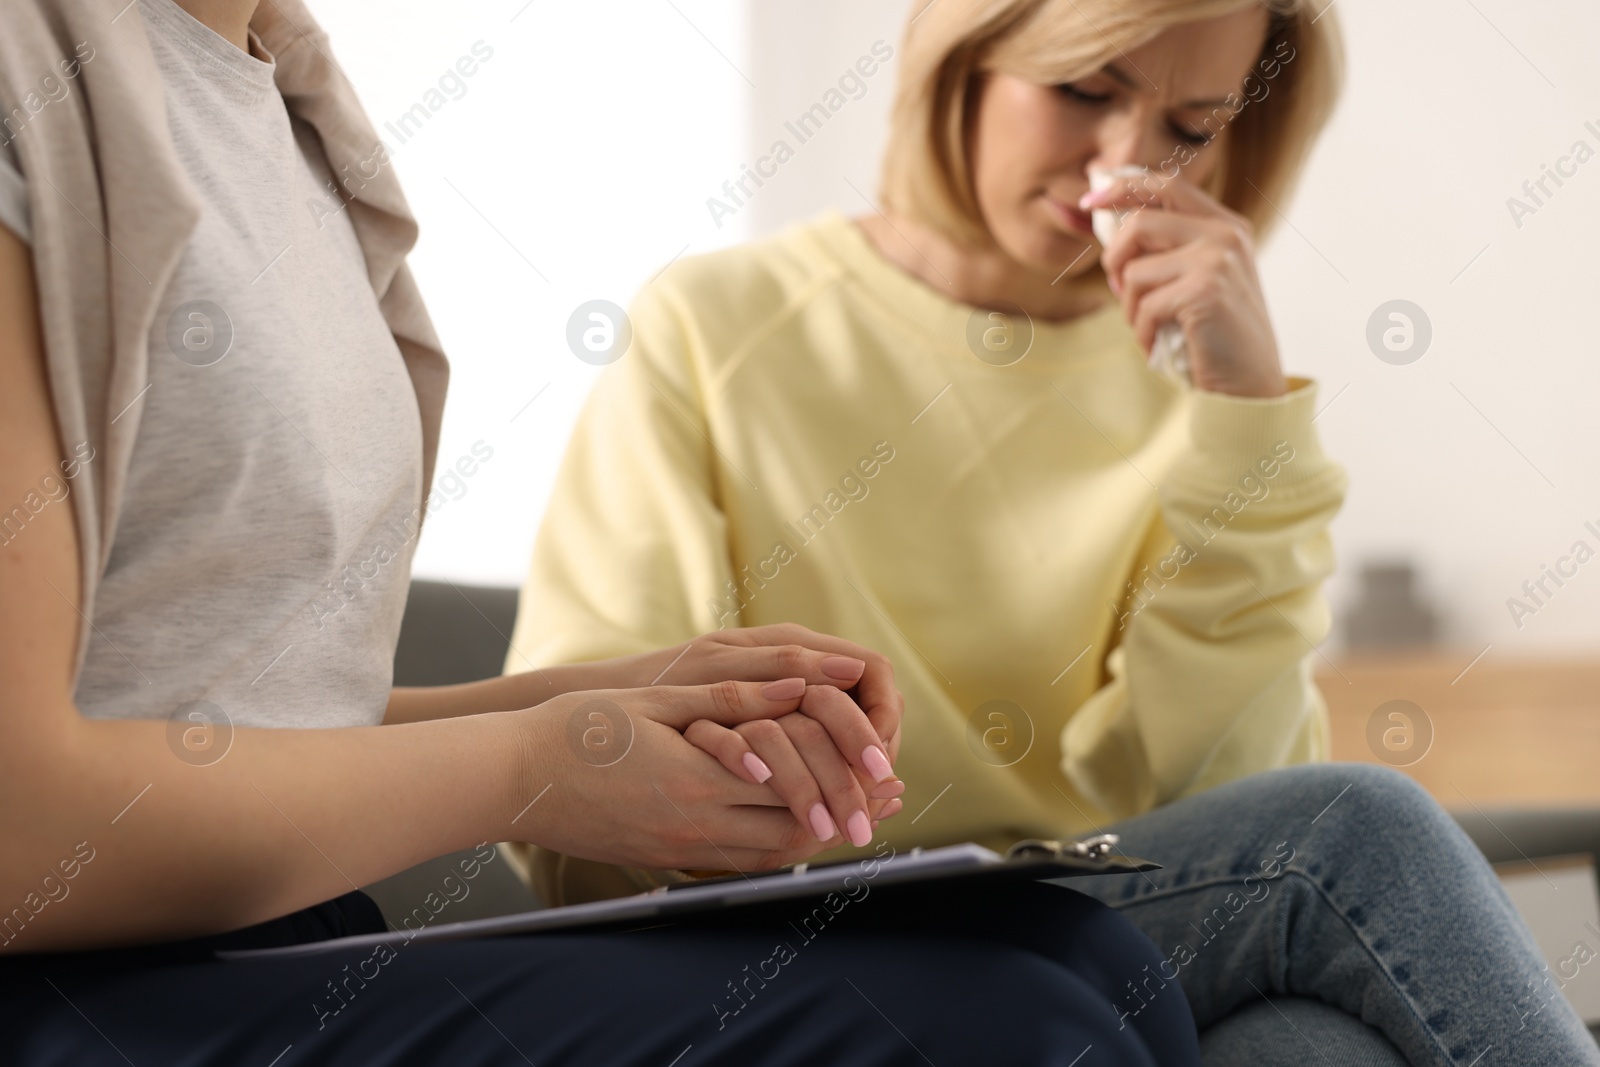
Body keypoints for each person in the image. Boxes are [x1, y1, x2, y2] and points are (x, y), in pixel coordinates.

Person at [0, 0, 1206, 1063]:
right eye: (1084, 89)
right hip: (88, 990)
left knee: (1084, 953)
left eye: (1192, 124)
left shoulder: (275, 93)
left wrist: (601, 702)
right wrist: (541, 768)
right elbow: (24, 824)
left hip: (283, 935)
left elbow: (224, 703)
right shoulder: (32, 75)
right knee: (1018, 1025)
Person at [503, 0, 1600, 1063]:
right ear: (966, 57)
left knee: (1306, 1047)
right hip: (806, 941)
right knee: (1356, 830)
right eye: (1084, 88)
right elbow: (580, 803)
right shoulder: (715, 326)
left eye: (1190, 127)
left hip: (1108, 922)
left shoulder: (1197, 380)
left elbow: (1236, 789)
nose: (1127, 165)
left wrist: (1249, 425)